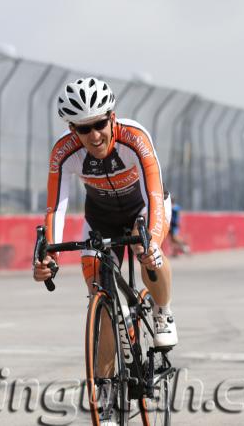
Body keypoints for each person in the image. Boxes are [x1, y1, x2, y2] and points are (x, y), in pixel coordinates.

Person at [32, 76, 178, 349]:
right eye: (84, 129)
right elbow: (56, 208)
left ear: (113, 118)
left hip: (143, 209)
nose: (94, 135)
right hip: (100, 216)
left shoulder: (135, 138)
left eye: (100, 124)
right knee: (98, 287)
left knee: (144, 248)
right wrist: (50, 256)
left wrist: (153, 243)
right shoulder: (64, 152)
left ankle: (163, 312)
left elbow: (154, 195)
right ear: (72, 128)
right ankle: (106, 388)